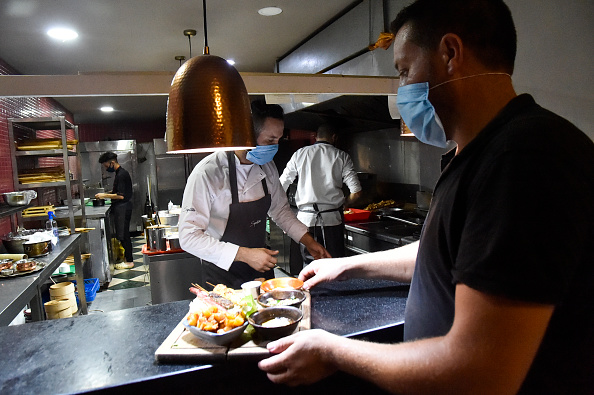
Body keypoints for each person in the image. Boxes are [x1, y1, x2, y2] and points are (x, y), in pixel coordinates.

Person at [257, 0, 594, 393]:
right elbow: (443, 254)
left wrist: (333, 351)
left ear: (450, 53)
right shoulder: (474, 154)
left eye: (403, 71)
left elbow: (480, 373)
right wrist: (347, 268)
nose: (402, 89)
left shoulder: (525, 156)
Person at [178, 100, 331, 289]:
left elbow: (280, 211)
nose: (275, 147)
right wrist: (245, 255)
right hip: (221, 273)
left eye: (278, 140)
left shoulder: (268, 167)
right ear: (246, 135)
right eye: (270, 140)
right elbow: (188, 237)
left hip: (260, 268)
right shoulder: (208, 173)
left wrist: (308, 241)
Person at [280, 123, 362, 269]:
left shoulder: (300, 154)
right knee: (334, 266)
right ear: (334, 137)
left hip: (305, 221)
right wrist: (346, 203)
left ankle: (310, 291)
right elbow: (356, 192)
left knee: (309, 266)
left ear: (315, 136)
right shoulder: (341, 155)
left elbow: (280, 186)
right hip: (332, 221)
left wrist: (284, 214)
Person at [96, 152, 134, 270]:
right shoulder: (119, 173)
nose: (107, 169)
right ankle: (127, 258)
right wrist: (108, 194)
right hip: (121, 207)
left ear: (112, 163)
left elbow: (121, 196)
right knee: (122, 234)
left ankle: (130, 261)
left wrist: (104, 195)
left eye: (107, 166)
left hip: (123, 207)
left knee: (123, 235)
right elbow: (117, 192)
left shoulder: (122, 174)